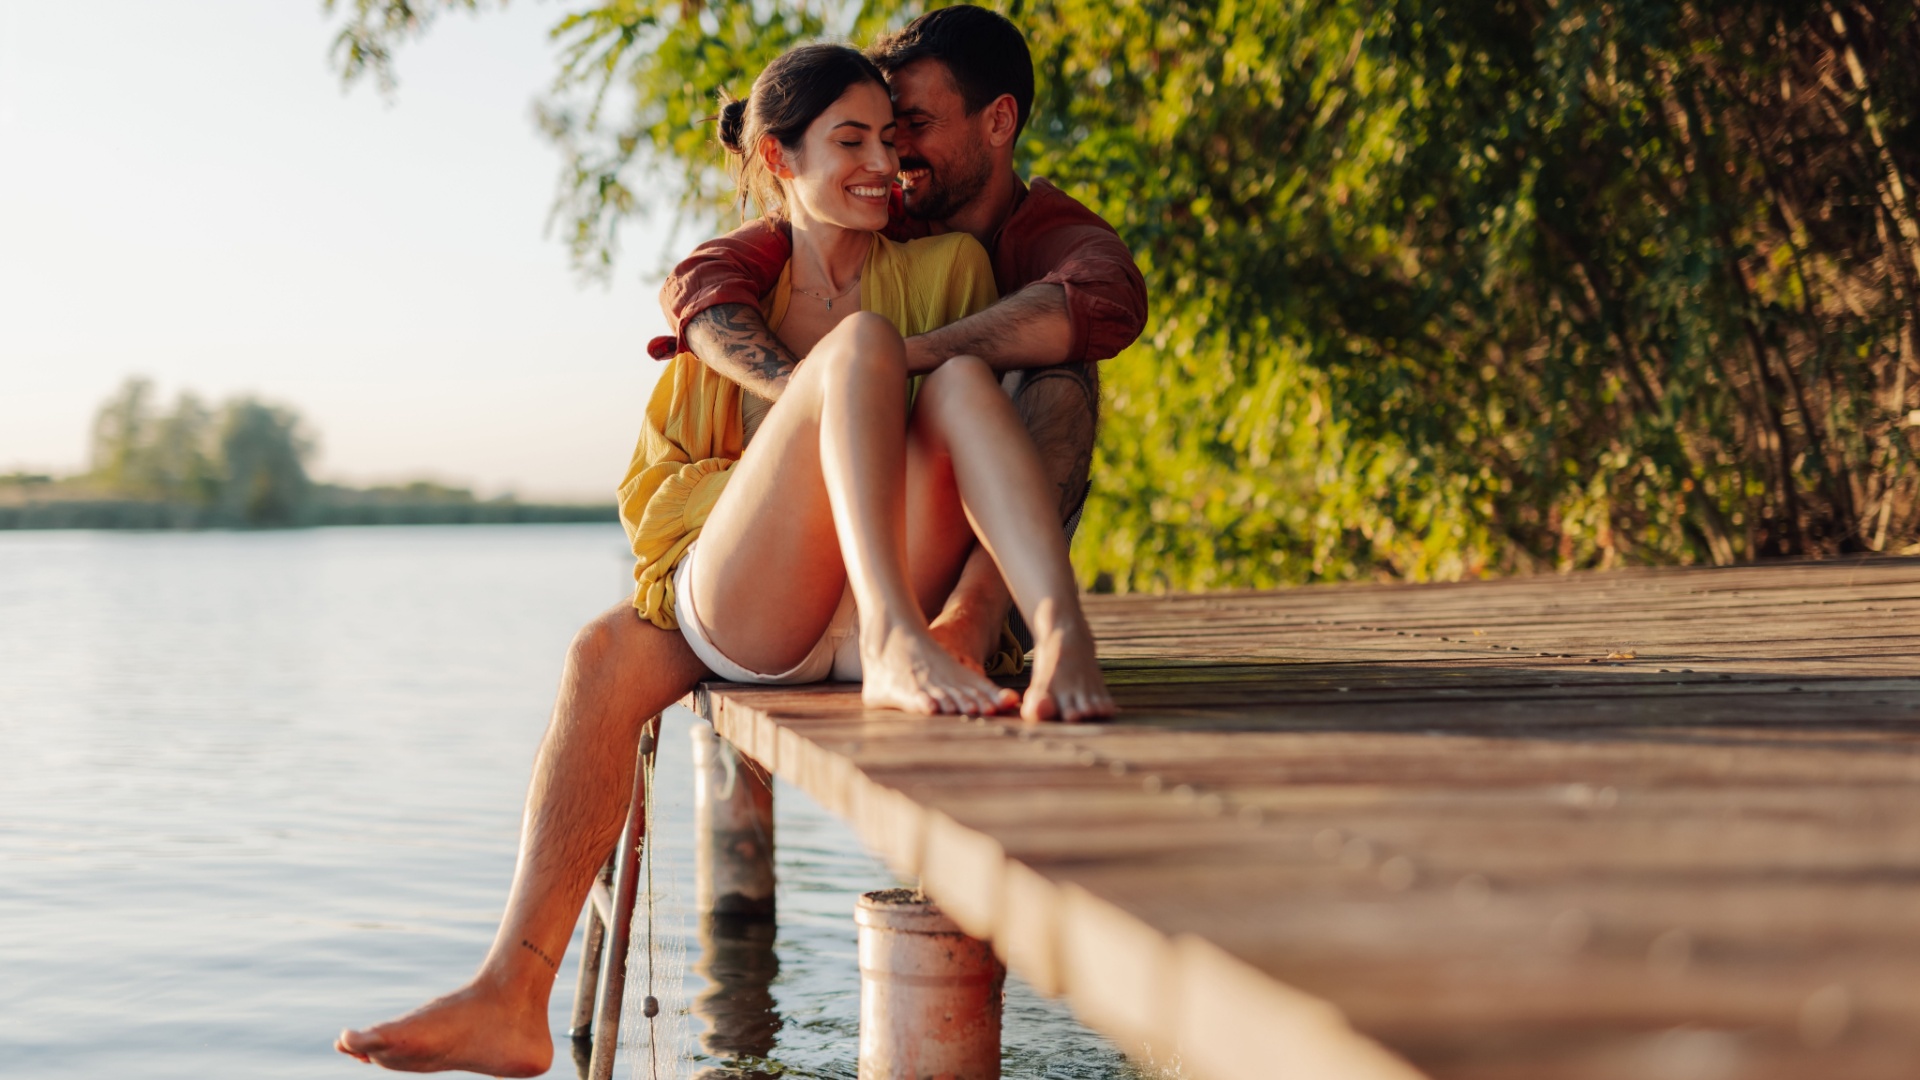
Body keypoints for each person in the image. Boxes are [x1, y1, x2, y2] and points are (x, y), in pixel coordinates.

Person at [336, 9, 1143, 1076]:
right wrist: (799, 457)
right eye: (855, 139)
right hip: (759, 600)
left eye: (895, 133)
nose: (887, 159)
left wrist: (874, 404)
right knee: (611, 645)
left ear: (993, 124)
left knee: (953, 374)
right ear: (781, 158)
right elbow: (655, 501)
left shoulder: (955, 263)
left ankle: (1032, 623)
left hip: (898, 592)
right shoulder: (734, 296)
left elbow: (1076, 322)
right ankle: (508, 989)